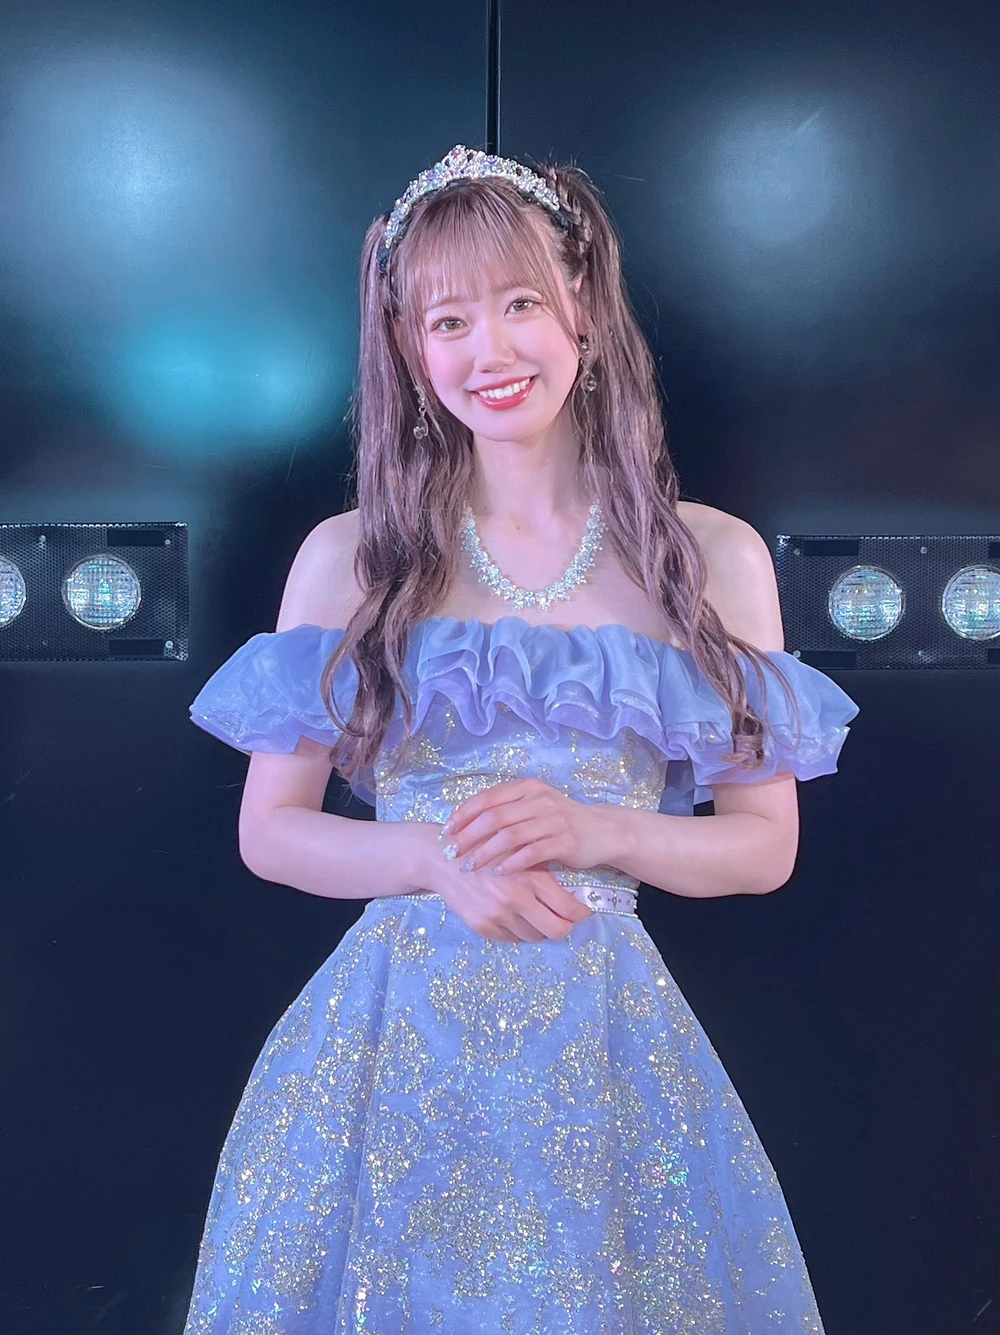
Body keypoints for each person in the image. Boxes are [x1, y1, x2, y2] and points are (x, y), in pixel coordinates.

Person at [181, 144, 859, 1334]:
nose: (488, 351)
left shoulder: (707, 558)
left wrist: (597, 831)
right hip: (386, 1056)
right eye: (447, 321)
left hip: (604, 1055)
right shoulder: (351, 558)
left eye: (518, 305)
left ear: (580, 308)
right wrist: (432, 858)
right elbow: (270, 831)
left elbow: (763, 847)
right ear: (409, 348)